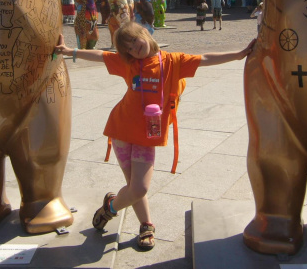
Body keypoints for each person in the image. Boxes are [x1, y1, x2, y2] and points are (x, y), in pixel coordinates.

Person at [54, 22, 255, 250]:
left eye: (134, 41)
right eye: (127, 48)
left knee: (139, 188)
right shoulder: (129, 63)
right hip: (121, 129)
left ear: (145, 33)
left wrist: (239, 55)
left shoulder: (173, 62)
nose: (133, 49)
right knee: (133, 186)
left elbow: (206, 58)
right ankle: (146, 225)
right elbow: (101, 55)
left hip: (148, 135)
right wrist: (70, 51)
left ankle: (110, 207)